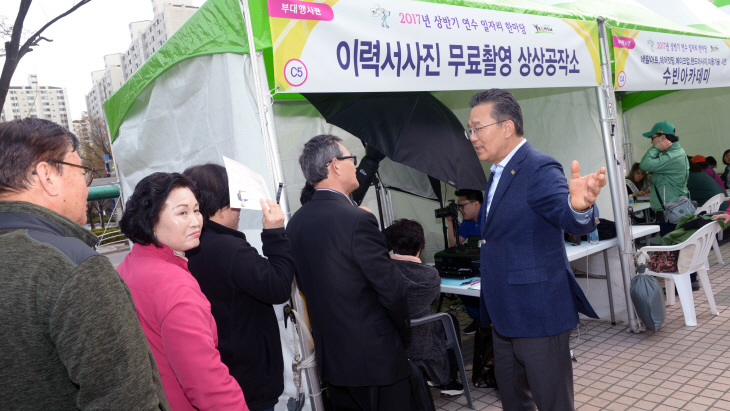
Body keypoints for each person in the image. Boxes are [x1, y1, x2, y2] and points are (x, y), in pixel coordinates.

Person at [0, 119, 170, 410]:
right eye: (81, 171)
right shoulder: (72, 269)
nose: (85, 185)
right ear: (48, 176)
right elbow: (126, 400)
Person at [467, 89, 605, 411]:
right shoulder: (499, 171)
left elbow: (567, 214)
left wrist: (580, 207)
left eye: (477, 128)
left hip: (538, 314)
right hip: (503, 315)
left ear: (506, 127)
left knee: (552, 402)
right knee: (514, 401)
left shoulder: (538, 167)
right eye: (469, 130)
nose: (472, 137)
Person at [286, 135, 413, 410]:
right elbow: (393, 290)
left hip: (334, 360)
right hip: (376, 358)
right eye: (351, 159)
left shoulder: (295, 223)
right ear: (335, 165)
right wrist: (403, 334)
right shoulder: (356, 219)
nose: (355, 166)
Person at [117, 172, 248, 411]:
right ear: (151, 218)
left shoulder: (128, 266)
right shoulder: (173, 285)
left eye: (196, 210)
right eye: (182, 212)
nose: (196, 221)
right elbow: (206, 383)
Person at [183, 164, 296, 411]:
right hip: (249, 383)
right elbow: (278, 287)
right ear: (222, 205)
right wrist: (275, 233)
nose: (240, 209)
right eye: (236, 200)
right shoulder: (229, 250)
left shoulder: (190, 244)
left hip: (224, 373)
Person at [386, 218, 464, 397]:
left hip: (393, 337)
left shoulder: (383, 270)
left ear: (391, 244)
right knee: (450, 320)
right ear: (421, 245)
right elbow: (435, 300)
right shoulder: (431, 275)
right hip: (423, 337)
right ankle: (449, 380)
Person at [639, 121, 690, 236]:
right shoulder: (675, 153)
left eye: (652, 138)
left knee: (671, 246)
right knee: (671, 245)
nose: (651, 142)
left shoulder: (672, 156)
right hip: (672, 207)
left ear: (662, 137)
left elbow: (645, 165)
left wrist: (656, 148)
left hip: (670, 209)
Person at [445, 189, 484, 334]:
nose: (460, 210)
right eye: (459, 207)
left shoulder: (490, 218)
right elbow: (455, 244)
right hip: (475, 265)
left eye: (462, 206)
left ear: (476, 204)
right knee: (463, 287)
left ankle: (488, 319)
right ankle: (478, 318)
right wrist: (450, 222)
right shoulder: (468, 222)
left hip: (492, 266)